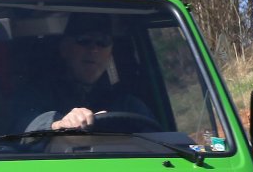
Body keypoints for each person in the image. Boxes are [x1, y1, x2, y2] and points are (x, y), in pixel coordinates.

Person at [14, 15, 153, 132]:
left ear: (110, 53)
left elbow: (157, 142)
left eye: (103, 42)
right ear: (64, 48)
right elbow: (23, 125)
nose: (94, 49)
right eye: (84, 40)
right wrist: (57, 124)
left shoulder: (128, 105)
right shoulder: (35, 94)